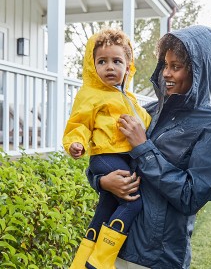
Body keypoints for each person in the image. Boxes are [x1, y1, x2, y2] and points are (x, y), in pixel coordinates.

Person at [86, 25, 211, 268]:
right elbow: (106, 153)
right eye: (165, 65)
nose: (166, 73)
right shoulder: (147, 112)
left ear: (201, 72)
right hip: (114, 244)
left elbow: (190, 197)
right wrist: (101, 181)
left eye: (176, 67)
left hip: (157, 258)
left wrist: (143, 147)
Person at [63, 28, 151, 269]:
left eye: (116, 61)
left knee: (106, 207)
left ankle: (81, 262)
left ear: (128, 66)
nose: (110, 67)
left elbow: (144, 120)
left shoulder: (129, 98)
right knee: (132, 201)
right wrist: (76, 143)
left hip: (122, 157)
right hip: (106, 157)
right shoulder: (90, 94)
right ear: (93, 66)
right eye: (102, 61)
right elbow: (79, 122)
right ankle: (100, 261)